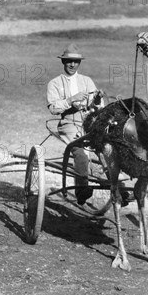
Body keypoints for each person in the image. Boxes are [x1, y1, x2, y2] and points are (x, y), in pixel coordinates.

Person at [47, 43, 103, 205]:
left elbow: (96, 106)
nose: (72, 65)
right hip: (69, 124)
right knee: (80, 154)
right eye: (68, 61)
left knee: (106, 150)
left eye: (75, 62)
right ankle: (81, 190)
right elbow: (53, 108)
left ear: (79, 63)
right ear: (63, 62)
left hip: (88, 122)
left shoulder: (86, 81)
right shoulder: (55, 83)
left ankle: (118, 189)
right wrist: (71, 100)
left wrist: (97, 99)